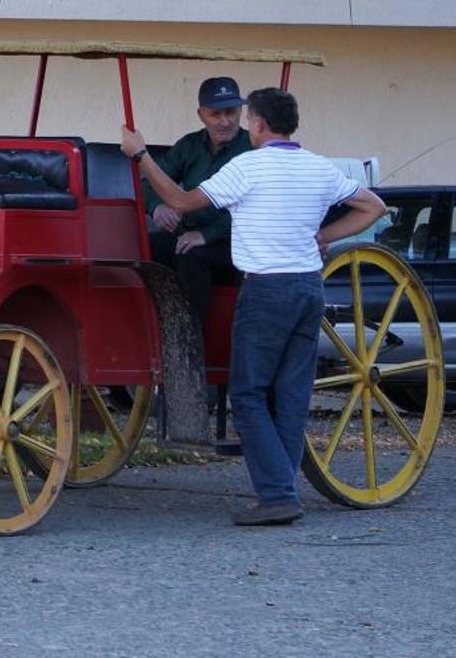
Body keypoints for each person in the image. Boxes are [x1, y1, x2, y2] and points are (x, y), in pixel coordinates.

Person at [122, 86, 386, 527]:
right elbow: (373, 206)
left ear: (259, 124)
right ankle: (283, 491)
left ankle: (279, 494)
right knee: (290, 396)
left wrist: (141, 156)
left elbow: (182, 202)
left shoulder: (248, 166)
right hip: (307, 290)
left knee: (247, 394)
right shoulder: (318, 168)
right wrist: (324, 238)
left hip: (266, 292)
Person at [146, 76, 252, 331]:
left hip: (239, 245)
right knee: (145, 248)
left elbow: (251, 206)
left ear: (241, 112)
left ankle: (192, 338)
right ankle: (149, 328)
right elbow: (150, 181)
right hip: (189, 235)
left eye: (231, 112)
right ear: (201, 114)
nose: (225, 121)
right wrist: (157, 207)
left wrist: (205, 235)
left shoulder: (253, 148)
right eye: (216, 114)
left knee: (192, 256)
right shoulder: (189, 146)